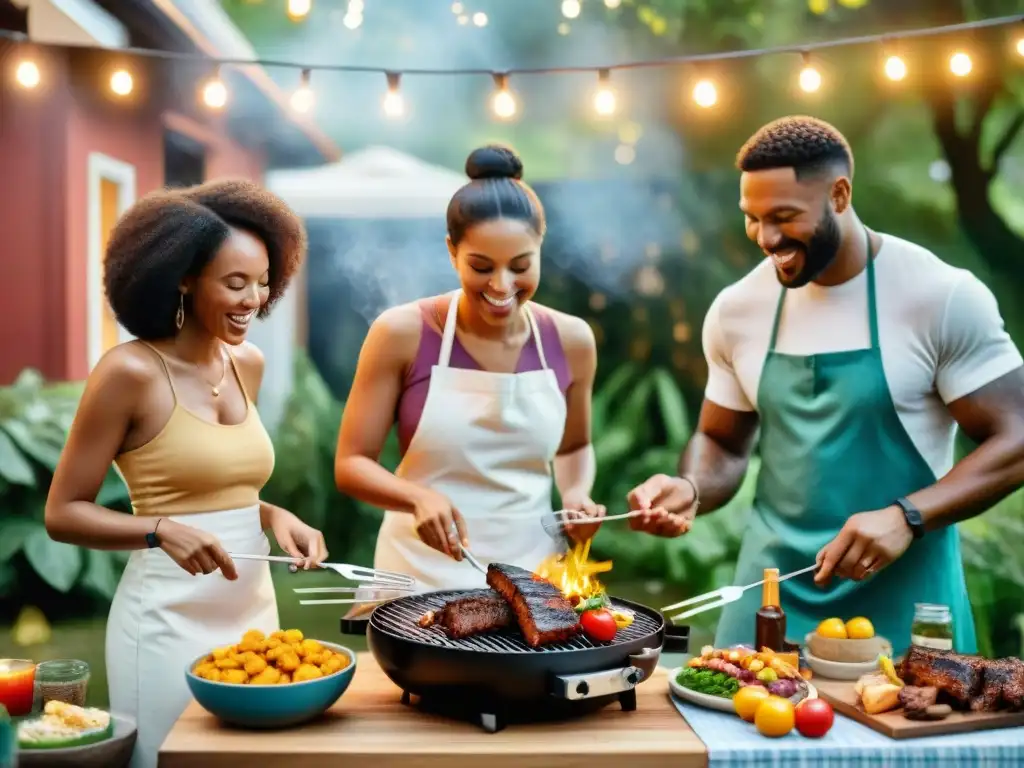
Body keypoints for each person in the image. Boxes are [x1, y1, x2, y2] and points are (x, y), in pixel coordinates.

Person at [627, 116, 1024, 653]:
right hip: (768, 598)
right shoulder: (737, 310)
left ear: (839, 195)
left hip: (907, 603)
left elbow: (1016, 437)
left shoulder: (940, 295)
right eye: (753, 218)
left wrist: (908, 517)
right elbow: (722, 441)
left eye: (784, 217)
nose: (766, 239)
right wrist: (691, 487)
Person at [44, 179, 328, 768]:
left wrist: (276, 516)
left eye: (263, 282)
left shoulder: (246, 362)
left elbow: (226, 485)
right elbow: (63, 512)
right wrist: (158, 529)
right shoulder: (129, 373)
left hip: (253, 617)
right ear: (182, 277)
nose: (253, 299)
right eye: (234, 282)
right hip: (165, 622)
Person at [335, 144, 604, 593]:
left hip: (534, 580)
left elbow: (575, 447)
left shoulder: (572, 340)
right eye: (481, 266)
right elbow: (351, 464)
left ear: (540, 247)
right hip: (417, 576)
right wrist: (416, 497)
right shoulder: (402, 332)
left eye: (520, 266)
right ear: (452, 252)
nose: (502, 286)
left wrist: (576, 493)